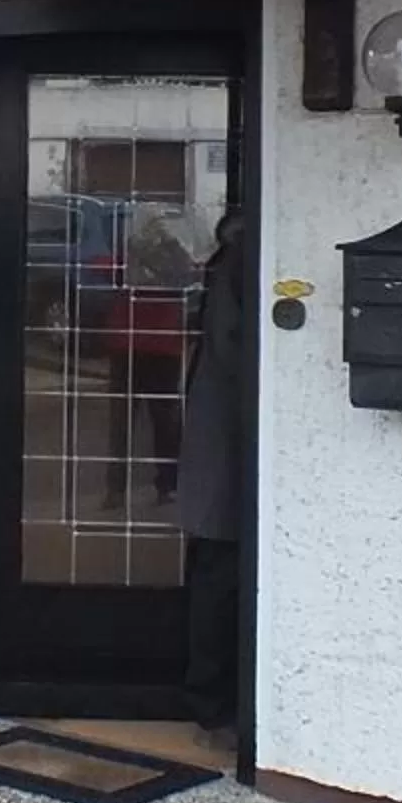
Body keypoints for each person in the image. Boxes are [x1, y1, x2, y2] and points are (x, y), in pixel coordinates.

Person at [174, 201, 252, 735]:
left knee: (216, 568)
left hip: (222, 436)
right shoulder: (244, 261)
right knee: (220, 572)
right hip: (230, 439)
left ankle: (215, 700)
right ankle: (214, 704)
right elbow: (235, 352)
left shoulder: (231, 258)